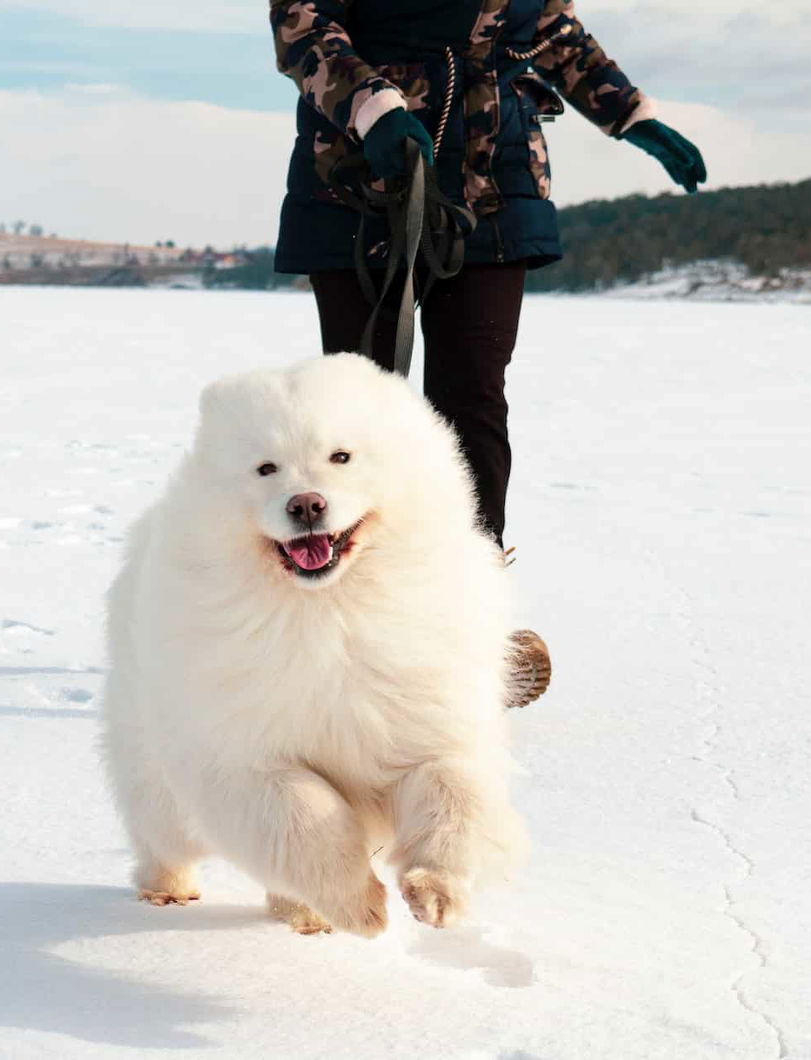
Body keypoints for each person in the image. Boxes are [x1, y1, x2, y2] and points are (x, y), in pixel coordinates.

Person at [270, 0, 706, 707]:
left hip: (495, 177)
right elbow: (304, 30)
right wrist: (374, 106)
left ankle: (464, 617)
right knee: (354, 415)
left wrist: (630, 113)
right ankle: (341, 623)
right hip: (359, 176)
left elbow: (552, 31)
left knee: (471, 399)